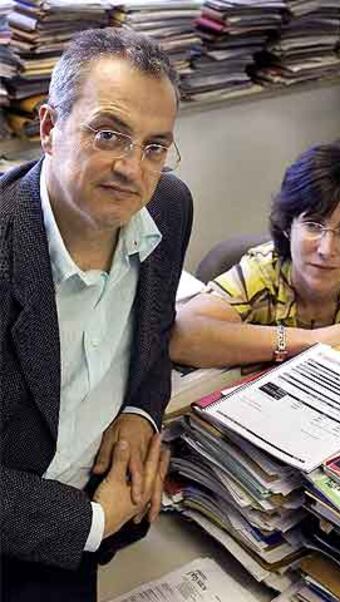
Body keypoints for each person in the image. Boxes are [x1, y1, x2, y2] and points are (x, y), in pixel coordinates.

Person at [1, 28, 193, 601]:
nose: (133, 171)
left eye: (155, 146)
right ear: (49, 129)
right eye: (109, 135)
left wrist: (140, 410)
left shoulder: (169, 206)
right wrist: (91, 523)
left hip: (103, 518)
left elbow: (155, 333)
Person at [170, 145, 340, 386]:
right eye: (313, 225)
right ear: (288, 226)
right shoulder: (263, 272)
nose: (326, 249)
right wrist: (311, 340)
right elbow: (182, 336)